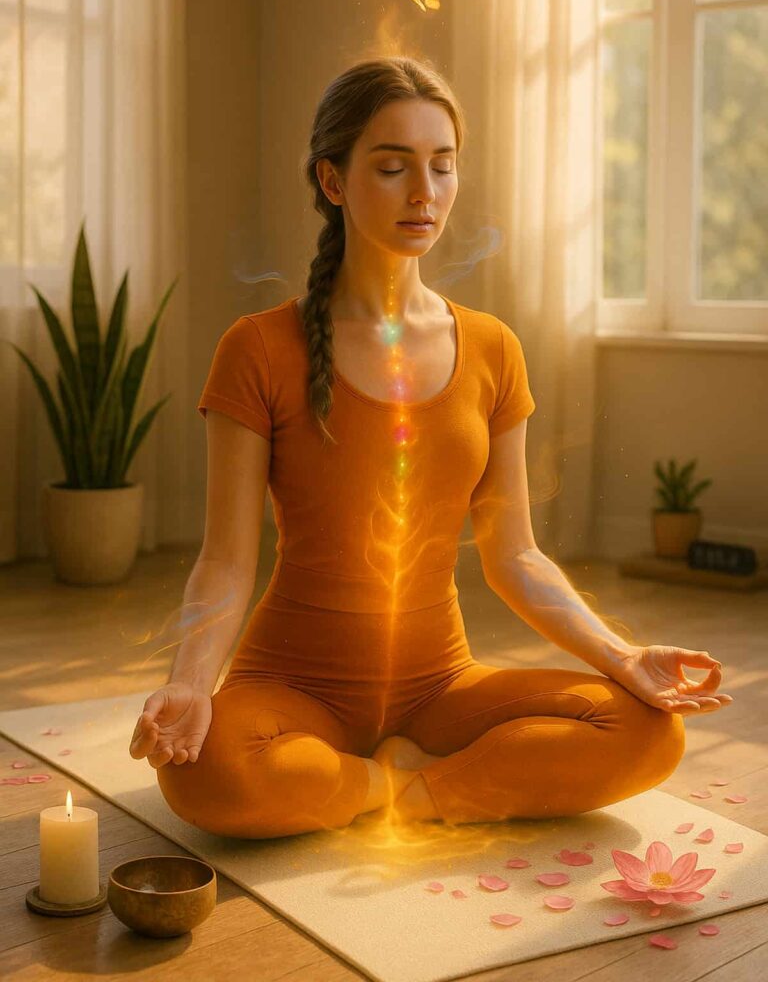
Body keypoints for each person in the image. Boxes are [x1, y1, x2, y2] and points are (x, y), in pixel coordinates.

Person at [129, 55, 732, 839]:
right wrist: (189, 685)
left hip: (439, 684)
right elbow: (226, 560)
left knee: (650, 730)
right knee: (208, 775)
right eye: (392, 166)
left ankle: (397, 790)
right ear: (334, 181)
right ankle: (401, 781)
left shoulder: (492, 348)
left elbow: (514, 555)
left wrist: (623, 659)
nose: (425, 192)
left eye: (442, 166)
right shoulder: (258, 349)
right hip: (293, 685)